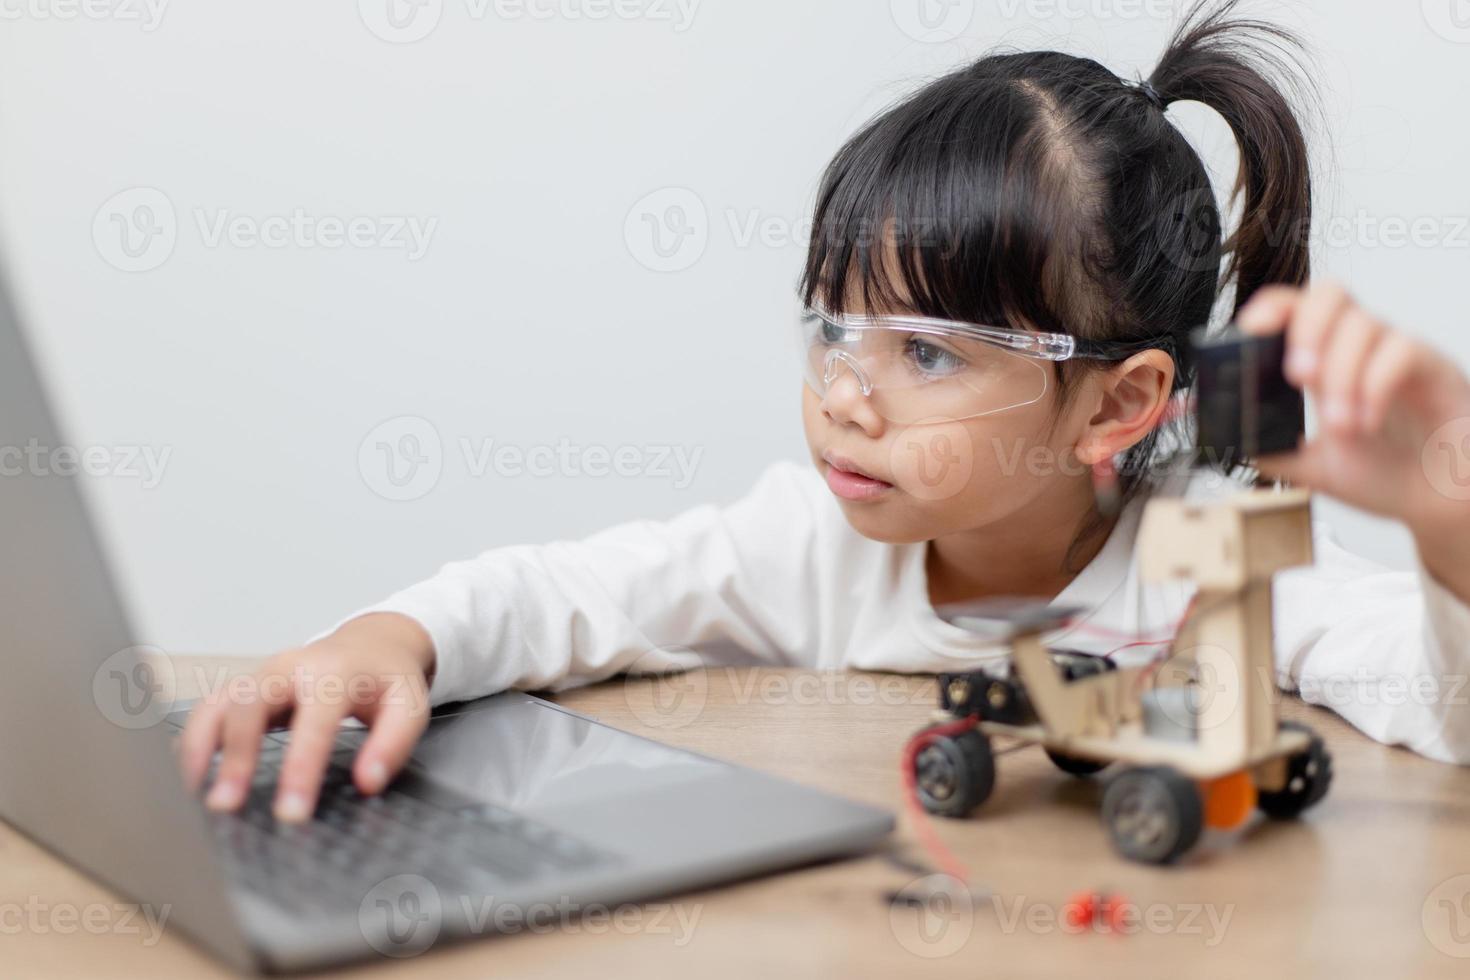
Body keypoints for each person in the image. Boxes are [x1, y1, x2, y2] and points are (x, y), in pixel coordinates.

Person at [182, 1, 1470, 824]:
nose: (845, 395)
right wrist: (389, 635)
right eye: (834, 327)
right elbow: (567, 593)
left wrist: (1444, 505)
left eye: (927, 350)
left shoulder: (1212, 559)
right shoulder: (809, 544)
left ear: (1118, 406)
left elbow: (1435, 699)